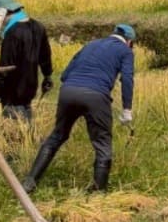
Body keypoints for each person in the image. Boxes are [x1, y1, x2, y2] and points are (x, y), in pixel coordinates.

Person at [21, 23, 136, 194]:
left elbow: (66, 74)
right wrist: (127, 109)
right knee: (102, 144)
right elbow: (127, 78)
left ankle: (29, 183)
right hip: (96, 96)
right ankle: (98, 192)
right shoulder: (125, 51)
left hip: (68, 92)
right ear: (129, 41)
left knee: (57, 136)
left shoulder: (91, 44)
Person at [0, 0, 53, 123]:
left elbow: (5, 67)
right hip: (30, 89)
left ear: (4, 13)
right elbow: (45, 56)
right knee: (27, 129)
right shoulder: (38, 26)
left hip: (12, 93)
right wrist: (47, 75)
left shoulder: (12, 33)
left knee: (14, 133)